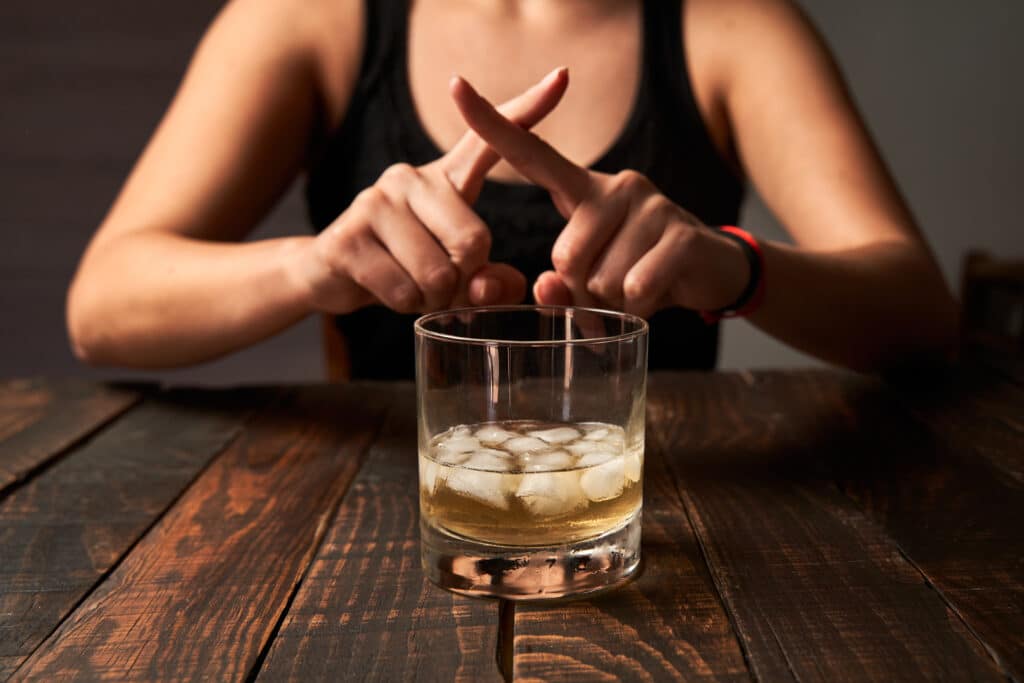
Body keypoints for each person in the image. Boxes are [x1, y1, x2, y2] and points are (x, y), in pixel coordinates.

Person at [66, 0, 958, 379]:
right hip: (378, 522)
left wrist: (733, 268)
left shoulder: (734, 26)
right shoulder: (309, 19)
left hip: (666, 519)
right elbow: (103, 305)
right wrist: (315, 268)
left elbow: (919, 312)